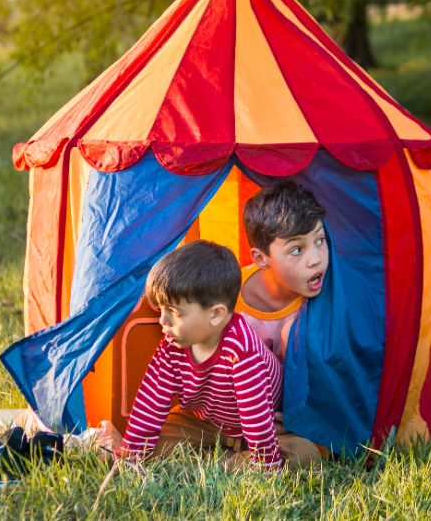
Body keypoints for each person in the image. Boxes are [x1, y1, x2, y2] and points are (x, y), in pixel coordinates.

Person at [118, 240, 285, 469]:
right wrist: (131, 456)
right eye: (162, 310)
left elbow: (257, 420)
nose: (163, 321)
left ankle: (231, 460)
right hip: (206, 425)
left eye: (174, 313)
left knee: (301, 453)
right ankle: (225, 460)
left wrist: (266, 465)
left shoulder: (242, 351)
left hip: (262, 427)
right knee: (151, 445)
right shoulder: (171, 345)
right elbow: (151, 403)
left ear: (216, 315)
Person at [237, 180, 327, 466]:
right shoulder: (228, 296)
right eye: (297, 250)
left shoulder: (324, 303)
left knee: (307, 454)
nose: (316, 259)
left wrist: (295, 417)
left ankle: (233, 461)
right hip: (228, 413)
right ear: (261, 258)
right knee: (172, 429)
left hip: (283, 422)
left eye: (320, 240)